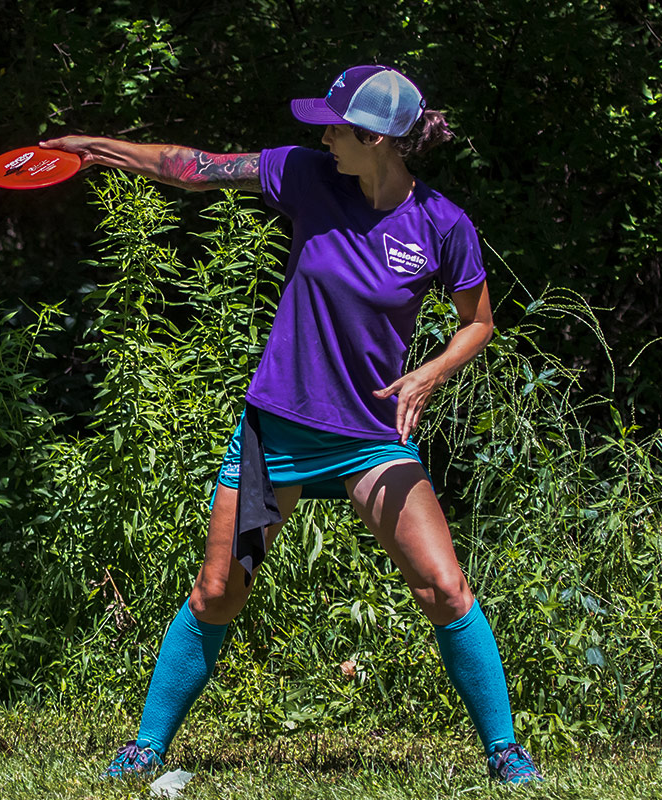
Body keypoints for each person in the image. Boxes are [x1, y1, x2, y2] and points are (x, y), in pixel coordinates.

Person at [39, 65, 543, 785]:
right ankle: (147, 746)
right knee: (220, 591)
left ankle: (505, 753)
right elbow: (194, 168)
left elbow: (479, 323)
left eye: (335, 127)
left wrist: (431, 372)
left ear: (375, 138)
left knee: (445, 587)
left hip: (369, 439)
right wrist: (95, 148)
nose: (323, 137)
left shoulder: (442, 224)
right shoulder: (306, 176)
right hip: (276, 433)